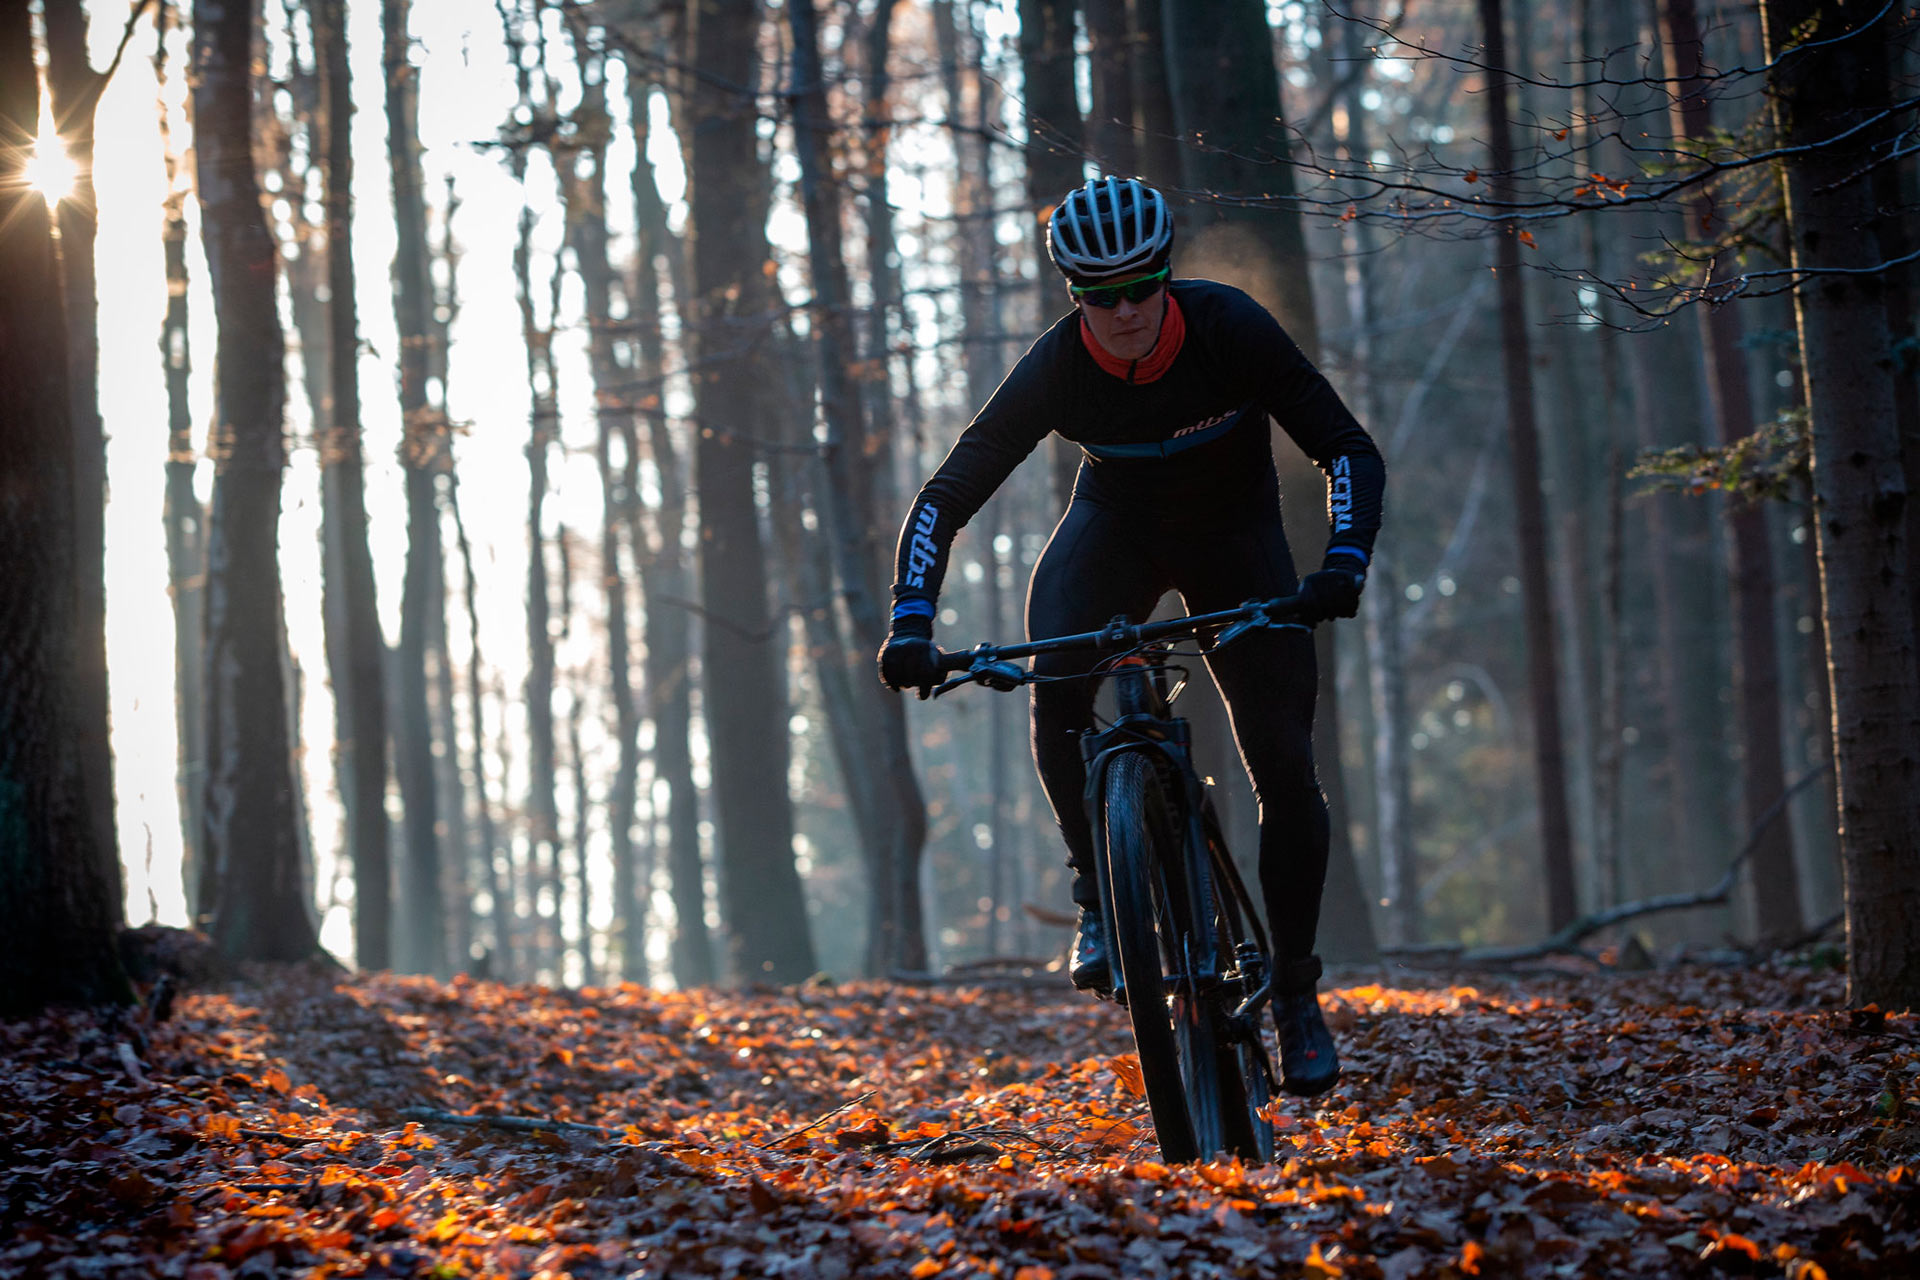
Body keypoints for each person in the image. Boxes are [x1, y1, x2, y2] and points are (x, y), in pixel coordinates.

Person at [876, 176, 1385, 1098]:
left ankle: (1297, 992)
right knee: (1056, 684)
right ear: (1073, 295)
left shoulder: (1231, 327)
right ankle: (1098, 898)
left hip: (1238, 534)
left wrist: (1342, 564)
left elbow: (1347, 448)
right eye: (1096, 296)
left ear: (1166, 274)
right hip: (1114, 528)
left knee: (1279, 757)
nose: (1121, 312)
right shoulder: (1058, 366)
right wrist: (911, 620)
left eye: (1139, 288)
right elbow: (943, 497)